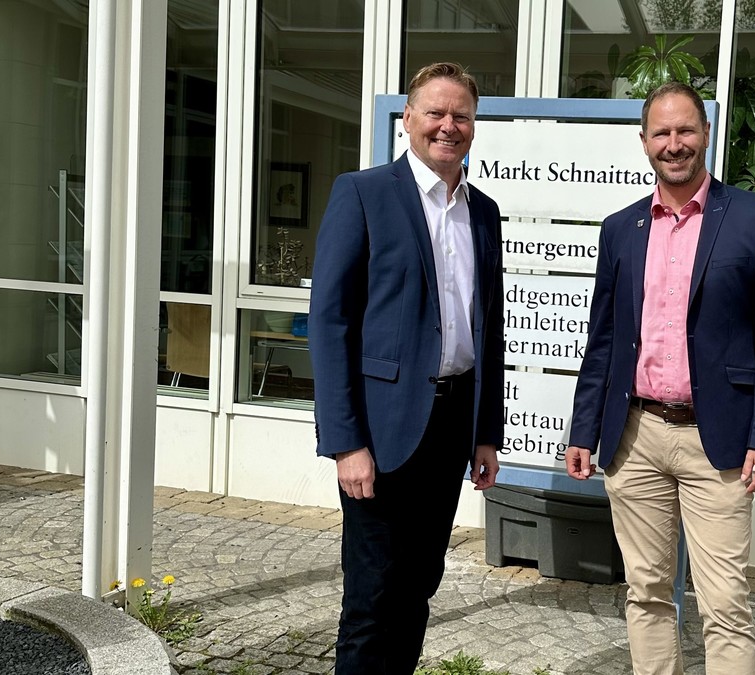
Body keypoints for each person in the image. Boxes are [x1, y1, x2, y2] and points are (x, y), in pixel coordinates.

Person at [565, 81, 755, 674]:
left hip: (715, 441)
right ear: (643, 142)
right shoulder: (621, 228)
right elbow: (605, 340)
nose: (675, 144)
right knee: (644, 593)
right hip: (634, 436)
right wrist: (582, 430)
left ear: (706, 135)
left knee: (724, 603)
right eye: (662, 133)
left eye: (685, 130)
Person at [308, 62, 504, 674]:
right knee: (371, 598)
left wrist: (486, 431)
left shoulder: (482, 211)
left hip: (450, 429)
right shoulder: (362, 193)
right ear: (409, 120)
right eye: (435, 113)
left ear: (474, 125)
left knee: (419, 587)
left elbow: (487, 327)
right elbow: (330, 323)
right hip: (383, 432)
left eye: (461, 116)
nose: (449, 126)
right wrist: (346, 443)